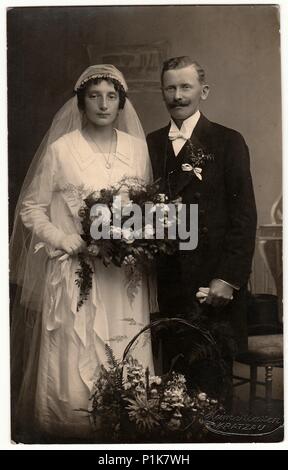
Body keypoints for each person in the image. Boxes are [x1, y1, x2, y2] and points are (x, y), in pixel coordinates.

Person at [10, 64, 155, 443]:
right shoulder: (62, 150)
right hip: (78, 273)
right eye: (95, 96)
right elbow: (30, 208)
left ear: (121, 102)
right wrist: (62, 238)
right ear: (81, 102)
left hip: (122, 274)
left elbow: (146, 209)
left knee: (123, 343)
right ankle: (70, 427)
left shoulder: (137, 150)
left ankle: (124, 419)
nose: (103, 104)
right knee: (75, 351)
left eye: (111, 96)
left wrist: (132, 239)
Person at [147, 56, 257, 402]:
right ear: (162, 92)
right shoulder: (149, 145)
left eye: (186, 87)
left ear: (203, 91)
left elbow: (244, 216)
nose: (177, 95)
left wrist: (228, 278)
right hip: (169, 286)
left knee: (211, 390)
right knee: (173, 388)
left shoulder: (228, 141)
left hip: (213, 286)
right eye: (170, 87)